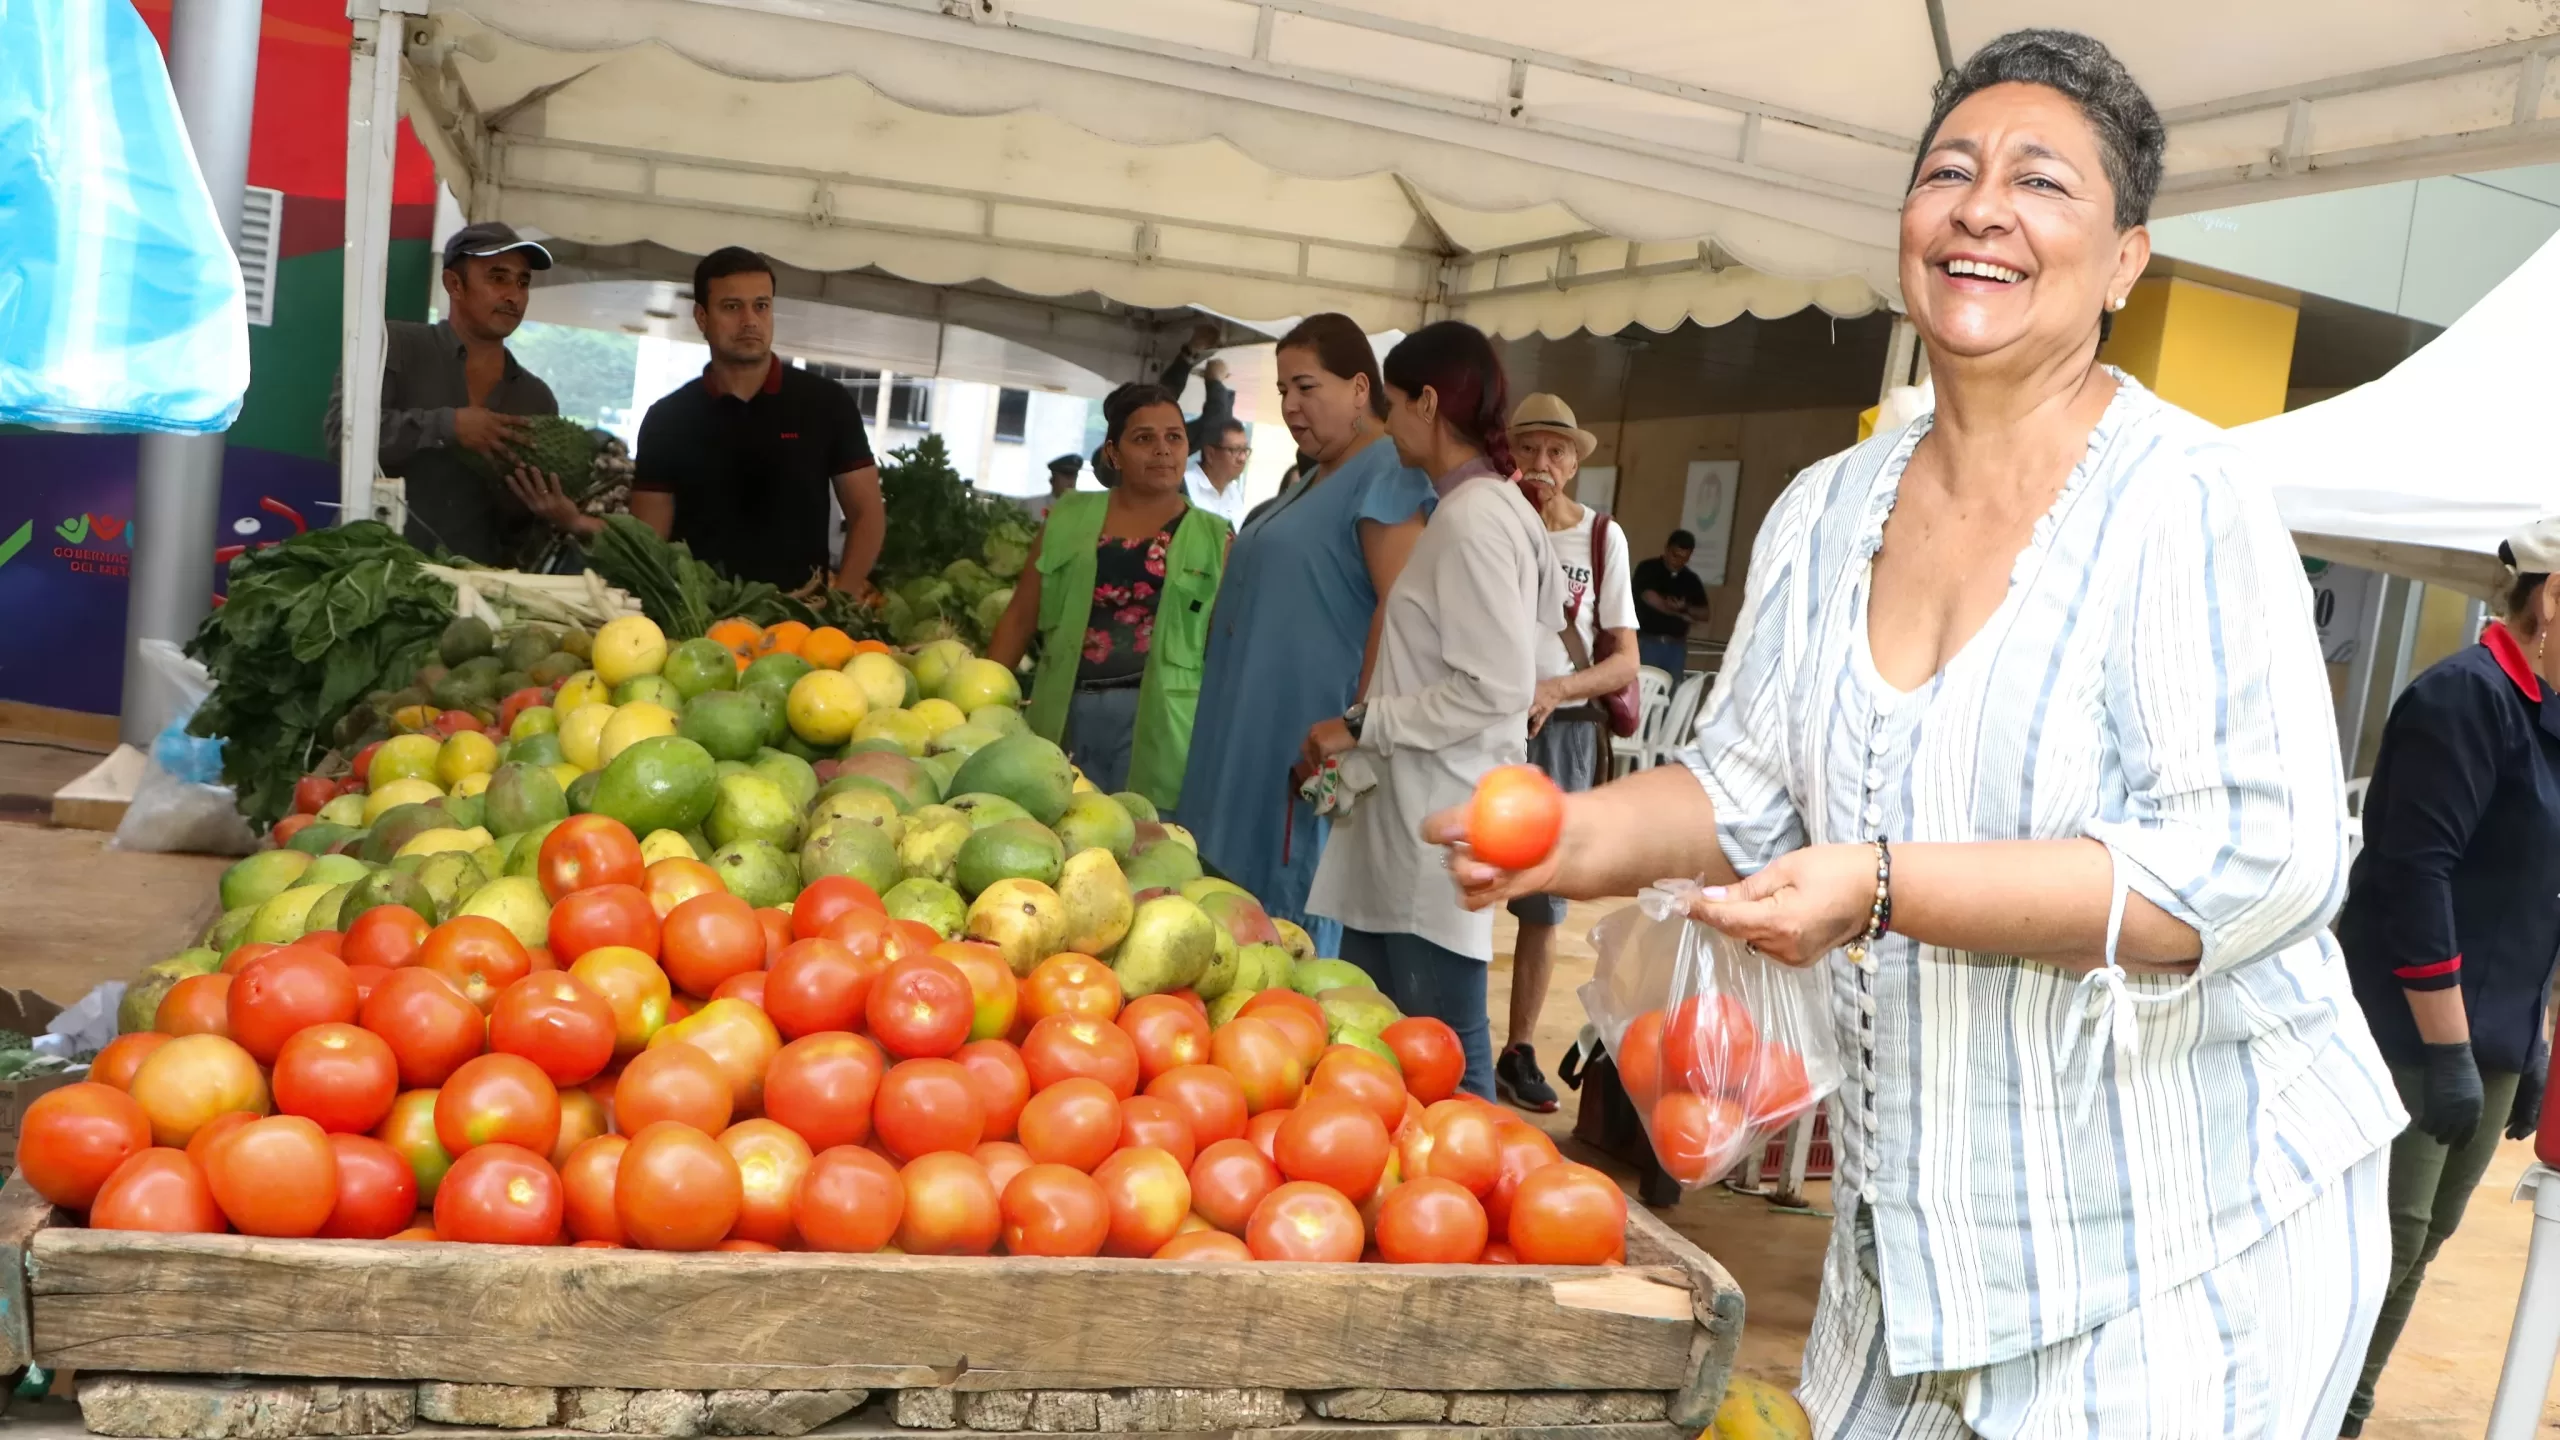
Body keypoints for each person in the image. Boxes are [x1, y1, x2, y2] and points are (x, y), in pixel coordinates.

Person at [1429, 31, 2402, 1433]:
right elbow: (1743, 790)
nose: (1982, 208)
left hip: (2181, 1244)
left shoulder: (2185, 501)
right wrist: (1564, 838)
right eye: (1950, 171)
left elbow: (2253, 866)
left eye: (2040, 182)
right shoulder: (1827, 509)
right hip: (1926, 1242)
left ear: (2124, 261)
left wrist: (1882, 884)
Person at [2337, 517, 2560, 1436]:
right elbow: (2414, 874)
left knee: (2421, 1245)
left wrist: (2530, 1037)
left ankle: (2344, 1413)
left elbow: (2536, 892)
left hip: (2491, 1034)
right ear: (2552, 598)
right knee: (2377, 1248)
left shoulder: (2546, 715)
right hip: (2413, 1033)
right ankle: (2316, 1413)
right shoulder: (2466, 698)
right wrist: (2449, 1050)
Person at [1303, 321, 1562, 1101]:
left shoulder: (1478, 516)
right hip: (1414, 810)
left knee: (1445, 1059)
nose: (1385, 426)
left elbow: (1498, 686)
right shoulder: (1485, 508)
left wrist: (1362, 724)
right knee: (1383, 1041)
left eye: (1390, 405)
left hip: (1435, 816)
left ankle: (1478, 1177)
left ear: (1426, 402)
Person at [1177, 316, 1433, 956]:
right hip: (1243, 735)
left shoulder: (1386, 471)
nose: (1290, 405)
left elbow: (1400, 611)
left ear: (1359, 388)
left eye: (1306, 387)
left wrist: (1355, 729)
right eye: (1283, 390)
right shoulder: (1318, 474)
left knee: (1280, 938)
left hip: (1305, 747)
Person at [1496, 392, 1637, 1113]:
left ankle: (1518, 1048)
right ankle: (1450, 1035)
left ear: (1575, 462)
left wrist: (1557, 687)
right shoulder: (1490, 520)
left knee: (1543, 900)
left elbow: (1625, 663)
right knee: (1460, 872)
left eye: (1556, 450)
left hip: (1564, 730)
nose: (1541, 462)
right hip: (1485, 720)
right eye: (1528, 448)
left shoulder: (1600, 538)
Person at [986, 387, 1228, 805]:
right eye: (1144, 438)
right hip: (1065, 706)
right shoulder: (1067, 516)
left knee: (1146, 830)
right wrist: (981, 706)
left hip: (1162, 721)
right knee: (1053, 815)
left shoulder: (1216, 538)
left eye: (1174, 437)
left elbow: (1223, 648)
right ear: (1113, 453)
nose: (1162, 449)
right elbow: (1020, 617)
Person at [632, 247, 886, 597]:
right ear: (702, 318)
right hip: (697, 616)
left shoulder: (827, 404)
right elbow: (648, 543)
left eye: (761, 306)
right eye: (732, 307)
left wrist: (840, 600)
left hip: (801, 617)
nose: (750, 320)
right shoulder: (667, 419)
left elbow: (867, 515)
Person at [325, 222, 564, 563]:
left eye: (522, 282)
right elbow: (341, 435)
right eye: (498, 278)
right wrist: (447, 426)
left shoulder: (536, 400)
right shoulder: (391, 345)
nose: (513, 295)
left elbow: (520, 532)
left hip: (468, 586)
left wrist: (542, 511)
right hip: (365, 569)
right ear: (454, 284)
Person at [1630, 531, 1707, 679]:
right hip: (1648, 642)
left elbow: (1705, 613)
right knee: (1644, 686)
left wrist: (1686, 607)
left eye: (1684, 558)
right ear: (1667, 549)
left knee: (1673, 688)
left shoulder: (1690, 579)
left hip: (1676, 647)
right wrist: (1680, 614)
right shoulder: (1648, 568)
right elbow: (1650, 598)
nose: (1678, 562)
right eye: (1675, 556)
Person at [1186, 416, 1255, 531]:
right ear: (1210, 454)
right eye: (1235, 450)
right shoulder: (1185, 487)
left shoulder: (1233, 493)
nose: (1242, 458)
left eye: (1244, 450)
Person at [1023, 453, 1082, 522]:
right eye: (1067, 477)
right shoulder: (1033, 506)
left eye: (1074, 477)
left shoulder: (1082, 508)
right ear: (1052, 480)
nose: (1071, 482)